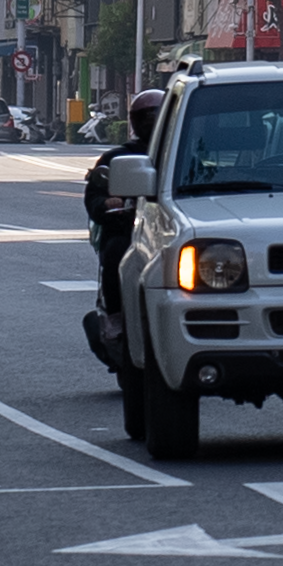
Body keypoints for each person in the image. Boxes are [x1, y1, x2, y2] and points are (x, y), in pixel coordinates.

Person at [81, 87, 168, 362]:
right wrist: (107, 204)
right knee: (117, 252)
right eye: (145, 116)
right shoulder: (117, 158)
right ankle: (116, 317)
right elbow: (94, 195)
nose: (151, 122)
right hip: (127, 231)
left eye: (157, 115)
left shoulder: (178, 153)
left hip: (168, 232)